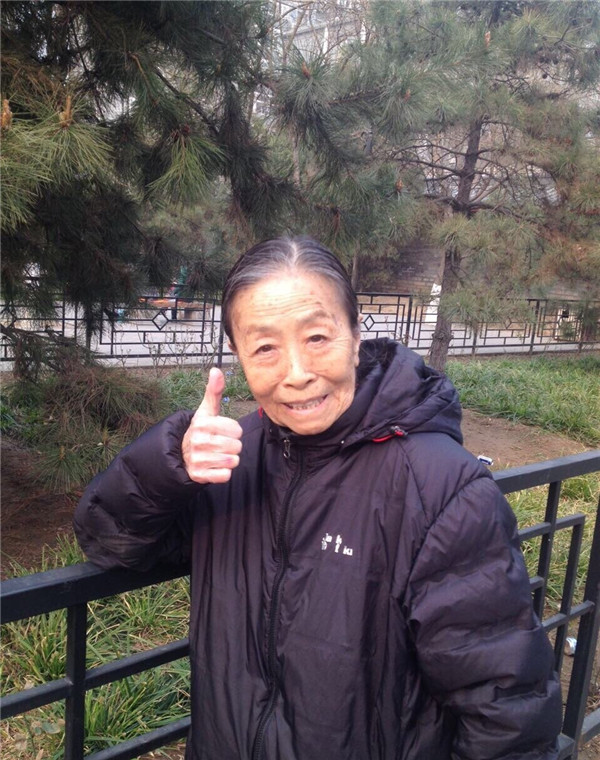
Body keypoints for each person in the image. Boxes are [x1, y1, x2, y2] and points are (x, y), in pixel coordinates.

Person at [74, 237, 562, 760]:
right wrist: (168, 465)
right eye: (265, 348)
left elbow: (505, 710)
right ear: (238, 357)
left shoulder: (439, 489)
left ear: (355, 338)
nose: (297, 373)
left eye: (317, 337)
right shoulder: (227, 464)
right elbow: (110, 542)